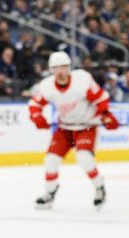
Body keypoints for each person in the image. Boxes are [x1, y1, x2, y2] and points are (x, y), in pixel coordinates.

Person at [28, 51, 119, 209]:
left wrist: (105, 114)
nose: (61, 72)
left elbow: (101, 97)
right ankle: (50, 192)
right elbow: (34, 104)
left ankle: (99, 188)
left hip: (86, 126)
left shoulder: (82, 79)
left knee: (84, 157)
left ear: (69, 68)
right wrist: (37, 117)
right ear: (51, 70)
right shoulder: (47, 86)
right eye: (56, 68)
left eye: (64, 67)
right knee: (50, 160)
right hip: (65, 128)